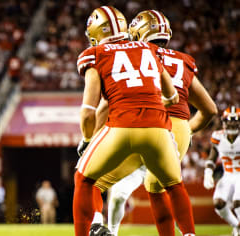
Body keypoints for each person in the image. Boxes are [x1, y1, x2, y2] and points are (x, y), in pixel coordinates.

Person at [86, 10, 217, 236]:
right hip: (180, 127)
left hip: (147, 123)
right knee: (159, 187)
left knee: (93, 180)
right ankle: (188, 233)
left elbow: (107, 104)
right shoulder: (183, 60)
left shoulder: (137, 52)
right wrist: (187, 130)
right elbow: (210, 110)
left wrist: (90, 138)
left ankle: (98, 228)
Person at [203, 106, 240, 236]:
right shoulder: (218, 137)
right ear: (224, 121)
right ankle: (236, 226)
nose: (232, 123)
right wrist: (208, 173)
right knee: (218, 203)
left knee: (237, 201)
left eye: (236, 120)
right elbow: (212, 158)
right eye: (230, 120)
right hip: (228, 175)